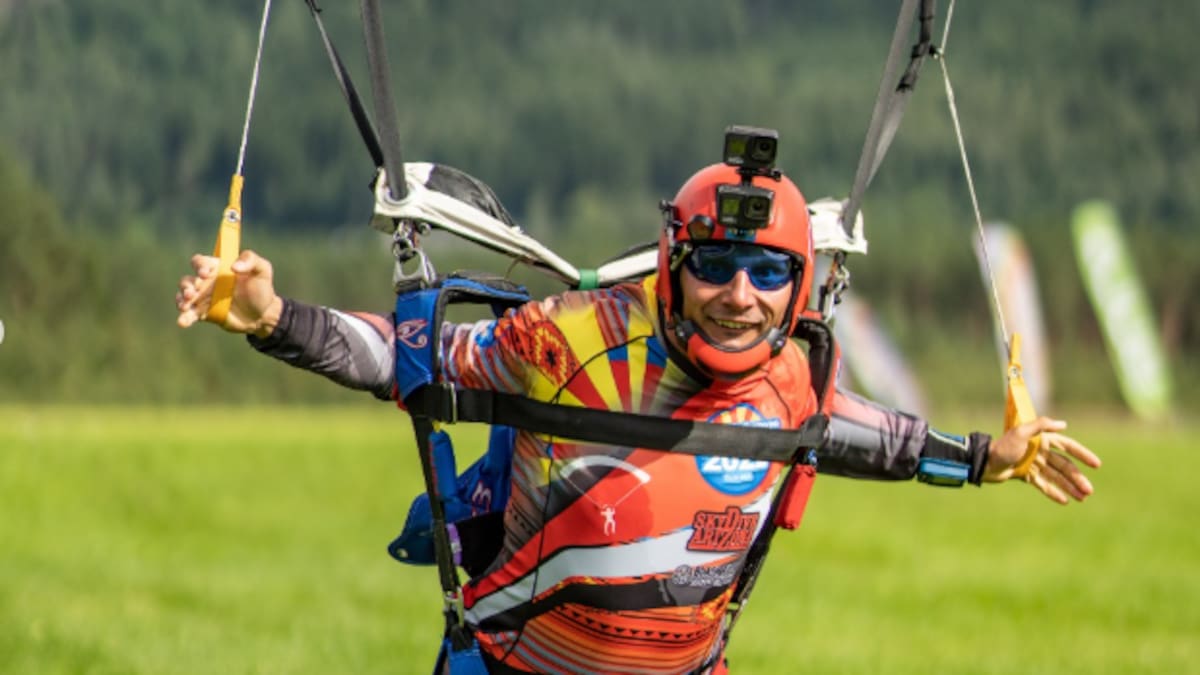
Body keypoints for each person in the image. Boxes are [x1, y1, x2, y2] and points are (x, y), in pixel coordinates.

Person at [176, 153, 1100, 674]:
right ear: (672, 265)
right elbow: (406, 357)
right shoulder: (565, 343)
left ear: (800, 286)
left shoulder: (793, 385)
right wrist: (271, 317)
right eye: (716, 265)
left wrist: (989, 455)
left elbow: (876, 440)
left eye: (769, 272)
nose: (740, 295)